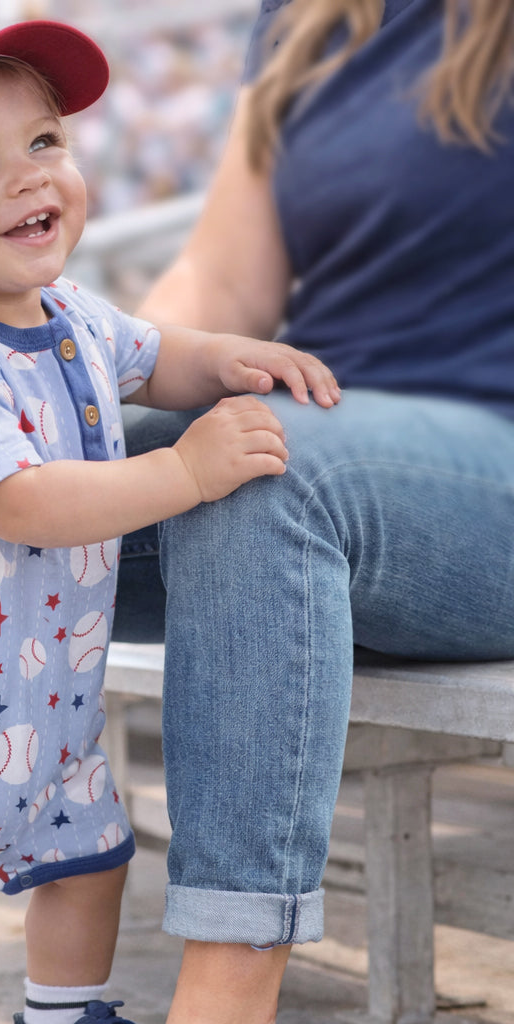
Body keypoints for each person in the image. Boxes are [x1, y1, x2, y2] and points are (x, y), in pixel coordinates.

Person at [0, 12, 338, 1024]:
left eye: (44, 142)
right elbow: (26, 503)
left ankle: (63, 1009)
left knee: (88, 863)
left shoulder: (69, 313)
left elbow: (152, 351)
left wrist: (226, 360)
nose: (32, 176)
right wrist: (188, 468)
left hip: (41, 712)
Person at [110, 2, 514, 1023]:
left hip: (476, 461)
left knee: (262, 470)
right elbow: (223, 277)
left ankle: (223, 998)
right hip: (331, 418)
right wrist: (69, 390)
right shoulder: (303, 19)